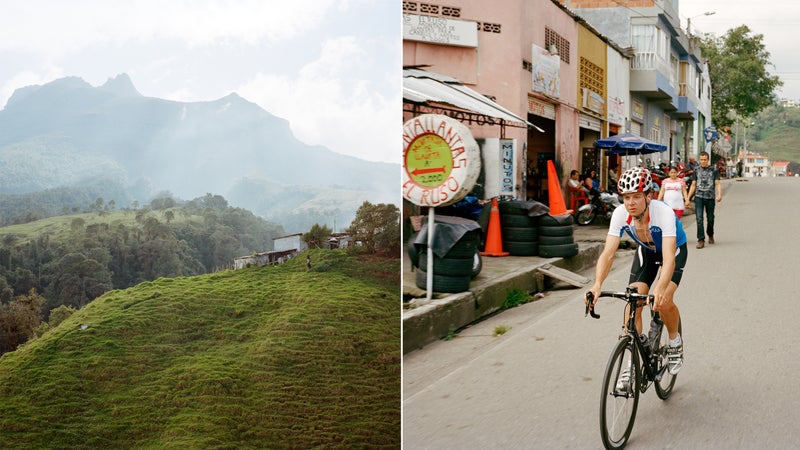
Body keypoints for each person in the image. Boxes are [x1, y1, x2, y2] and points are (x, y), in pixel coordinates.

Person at [585, 167, 686, 384]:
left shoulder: (663, 213)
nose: (630, 203)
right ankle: (631, 363)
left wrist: (659, 289)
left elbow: (668, 259)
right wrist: (597, 285)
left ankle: (675, 341)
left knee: (663, 299)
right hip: (647, 252)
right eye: (626, 197)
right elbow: (608, 253)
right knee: (633, 302)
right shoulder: (621, 214)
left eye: (637, 197)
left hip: (673, 250)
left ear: (648, 196)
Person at [686, 151, 722, 249]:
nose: (703, 161)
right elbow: (693, 184)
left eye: (705, 160)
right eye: (701, 159)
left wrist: (719, 194)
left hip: (710, 197)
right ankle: (701, 239)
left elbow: (718, 183)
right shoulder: (696, 170)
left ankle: (710, 234)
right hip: (699, 197)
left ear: (708, 160)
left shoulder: (714, 170)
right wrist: (688, 198)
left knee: (710, 219)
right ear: (699, 160)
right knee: (699, 218)